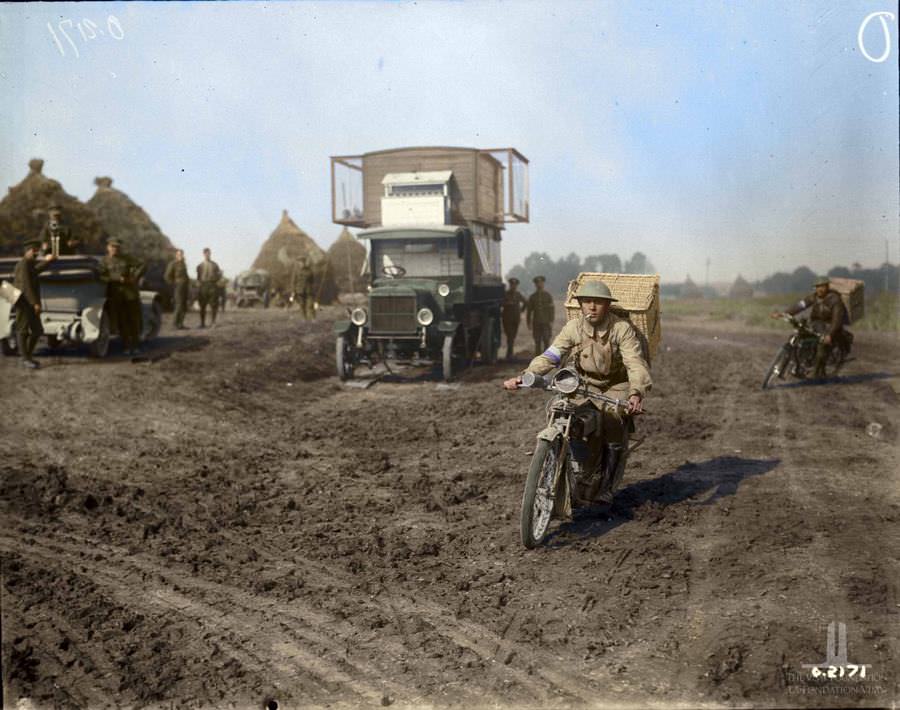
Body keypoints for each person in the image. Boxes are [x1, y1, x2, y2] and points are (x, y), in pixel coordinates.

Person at [503, 278, 652, 504]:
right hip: (584, 383)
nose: (592, 307)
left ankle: (608, 484)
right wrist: (525, 376)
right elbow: (552, 355)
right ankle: (563, 460)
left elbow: (634, 363)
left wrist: (635, 392)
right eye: (587, 301)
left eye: (598, 302)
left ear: (608, 305)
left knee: (613, 419)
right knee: (561, 410)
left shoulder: (621, 329)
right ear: (580, 304)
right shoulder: (573, 328)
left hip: (616, 384)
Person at [772, 276, 849, 379]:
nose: (820, 289)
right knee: (795, 337)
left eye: (822, 286)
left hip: (830, 326)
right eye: (817, 286)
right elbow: (799, 306)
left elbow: (837, 319)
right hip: (816, 323)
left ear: (827, 287)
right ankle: (790, 366)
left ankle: (816, 372)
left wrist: (830, 334)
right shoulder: (814, 297)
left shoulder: (835, 300)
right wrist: (783, 313)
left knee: (822, 345)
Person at [12, 239, 57, 368]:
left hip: (29, 301)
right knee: (22, 330)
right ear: (28, 251)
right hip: (23, 301)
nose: (37, 253)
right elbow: (26, 285)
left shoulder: (29, 264)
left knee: (37, 330)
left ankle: (28, 356)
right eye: (34, 251)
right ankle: (25, 358)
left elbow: (37, 270)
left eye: (37, 250)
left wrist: (49, 261)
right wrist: (35, 303)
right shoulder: (23, 264)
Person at [99, 238, 145, 356]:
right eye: (112, 246)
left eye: (117, 247)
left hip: (130, 293)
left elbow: (143, 265)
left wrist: (134, 277)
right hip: (115, 294)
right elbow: (101, 277)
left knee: (133, 320)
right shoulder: (104, 261)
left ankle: (135, 346)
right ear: (108, 247)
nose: (115, 249)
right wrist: (116, 279)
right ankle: (125, 346)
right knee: (121, 321)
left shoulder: (127, 258)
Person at [526, 275, 554, 356]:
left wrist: (551, 320)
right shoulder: (532, 297)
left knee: (546, 340)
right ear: (535, 285)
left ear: (543, 284)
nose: (539, 284)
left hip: (546, 322)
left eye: (541, 282)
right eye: (537, 283)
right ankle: (538, 358)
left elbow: (551, 309)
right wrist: (529, 323)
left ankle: (547, 359)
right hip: (536, 323)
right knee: (537, 341)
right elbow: (529, 311)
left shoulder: (548, 296)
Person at [501, 277, 527, 360]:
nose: (514, 286)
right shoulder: (505, 294)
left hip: (516, 319)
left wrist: (521, 311)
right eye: (512, 285)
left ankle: (509, 353)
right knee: (510, 336)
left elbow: (526, 302)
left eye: (515, 285)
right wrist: (507, 304)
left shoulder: (518, 294)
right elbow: (500, 303)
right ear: (510, 285)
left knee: (513, 336)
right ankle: (509, 354)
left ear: (517, 286)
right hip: (507, 319)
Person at [196, 248, 222, 328]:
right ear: (203, 254)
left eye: (208, 253)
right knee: (202, 305)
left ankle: (213, 322)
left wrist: (216, 280)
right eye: (206, 253)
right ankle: (202, 323)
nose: (207, 255)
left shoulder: (215, 265)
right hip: (203, 286)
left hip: (212, 286)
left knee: (213, 305)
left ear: (210, 254)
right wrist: (199, 285)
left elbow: (219, 274)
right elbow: (198, 277)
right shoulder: (199, 266)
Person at [164, 249, 190, 329]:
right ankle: (175, 324)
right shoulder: (173, 264)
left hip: (184, 286)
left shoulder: (183, 264)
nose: (180, 256)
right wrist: (174, 284)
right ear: (176, 255)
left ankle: (180, 324)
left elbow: (185, 276)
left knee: (184, 305)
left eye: (182, 254)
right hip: (177, 287)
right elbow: (167, 276)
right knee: (178, 305)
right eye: (179, 254)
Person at [290, 255, 315, 320]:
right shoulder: (296, 271)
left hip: (308, 290)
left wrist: (312, 288)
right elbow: (293, 282)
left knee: (310, 305)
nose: (301, 263)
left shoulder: (309, 270)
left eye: (302, 262)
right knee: (302, 305)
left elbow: (312, 280)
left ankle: (313, 318)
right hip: (300, 291)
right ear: (298, 263)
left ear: (305, 262)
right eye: (300, 262)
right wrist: (293, 291)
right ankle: (304, 318)